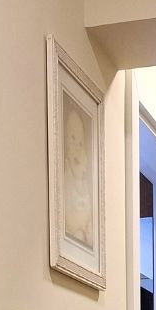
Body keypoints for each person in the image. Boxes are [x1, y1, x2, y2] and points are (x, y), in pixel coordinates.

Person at [63, 96, 95, 247]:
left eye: (81, 142)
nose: (77, 147)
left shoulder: (87, 182)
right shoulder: (65, 180)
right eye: (72, 138)